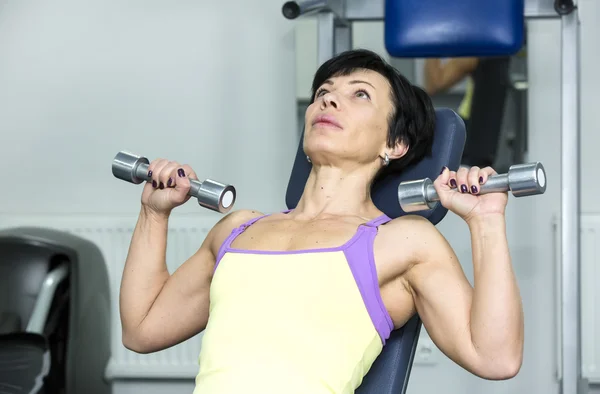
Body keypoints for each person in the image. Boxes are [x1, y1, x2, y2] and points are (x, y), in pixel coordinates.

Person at [119, 49, 524, 393]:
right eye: (323, 93)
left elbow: (496, 357)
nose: (328, 101)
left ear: (394, 143)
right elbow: (142, 328)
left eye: (359, 95)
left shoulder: (402, 242)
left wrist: (486, 223)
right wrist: (154, 213)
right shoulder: (237, 229)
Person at [424, 57, 511, 169]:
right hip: (489, 147)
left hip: (473, 147)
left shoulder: (481, 49)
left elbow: (435, 83)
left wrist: (431, 41)